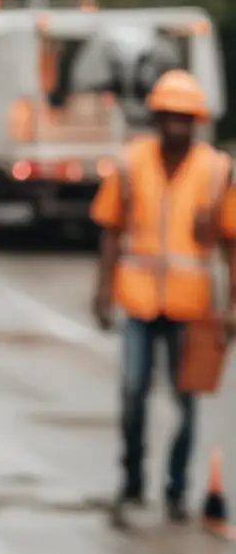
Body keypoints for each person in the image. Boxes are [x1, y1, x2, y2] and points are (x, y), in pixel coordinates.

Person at [91, 68, 236, 525]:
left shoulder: (216, 170)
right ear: (156, 118)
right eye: (169, 116)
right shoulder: (132, 163)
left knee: (185, 402)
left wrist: (232, 305)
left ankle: (176, 490)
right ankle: (133, 480)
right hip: (137, 301)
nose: (177, 124)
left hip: (191, 307)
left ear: (197, 121)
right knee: (133, 393)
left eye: (185, 117)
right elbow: (112, 230)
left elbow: (232, 244)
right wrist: (102, 291)